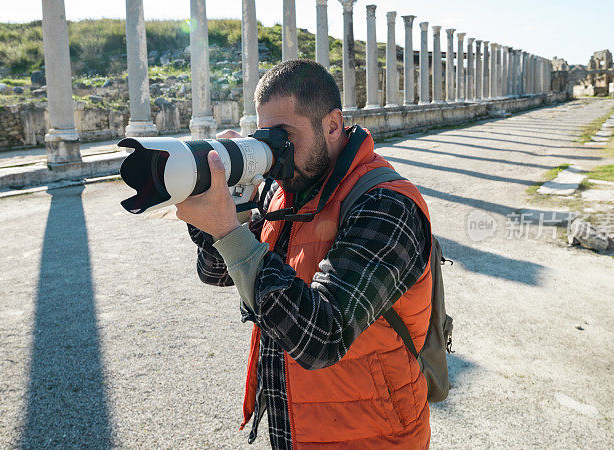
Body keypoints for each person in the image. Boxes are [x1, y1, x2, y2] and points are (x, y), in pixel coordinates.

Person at [175, 59, 433, 449]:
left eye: (284, 134)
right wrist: (228, 202)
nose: (273, 149)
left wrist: (229, 231)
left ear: (332, 125)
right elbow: (218, 272)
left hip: (371, 436)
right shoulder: (284, 189)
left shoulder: (386, 203)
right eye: (265, 135)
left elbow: (323, 337)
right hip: (295, 428)